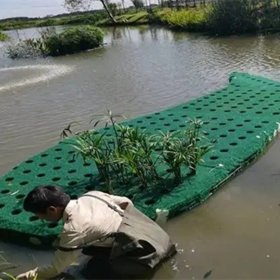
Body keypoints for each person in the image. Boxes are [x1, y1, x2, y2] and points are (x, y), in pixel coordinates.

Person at [16, 185, 176, 280]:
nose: (41, 219)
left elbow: (56, 268)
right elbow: (127, 202)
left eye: (40, 215)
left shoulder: (73, 230)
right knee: (91, 247)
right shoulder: (93, 195)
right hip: (158, 237)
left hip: (147, 254)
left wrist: (25, 276)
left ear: (52, 209)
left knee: (89, 273)